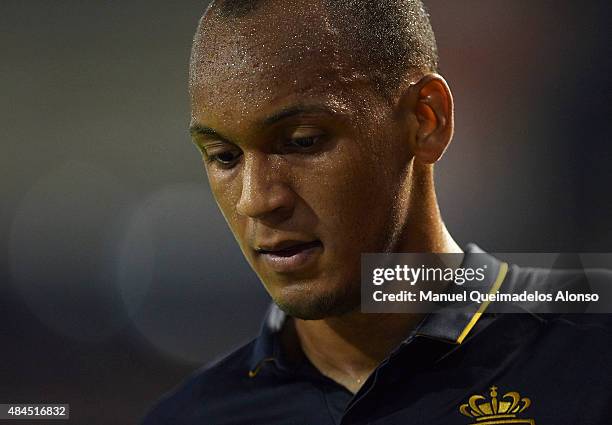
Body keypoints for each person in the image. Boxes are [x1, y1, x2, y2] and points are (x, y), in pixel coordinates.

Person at [142, 1, 612, 424]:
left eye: (303, 142)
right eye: (224, 156)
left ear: (427, 120)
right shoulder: (189, 416)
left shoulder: (593, 343)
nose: (258, 200)